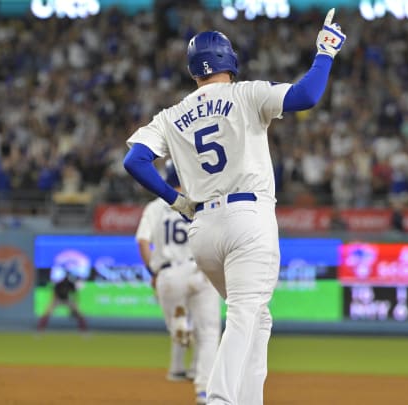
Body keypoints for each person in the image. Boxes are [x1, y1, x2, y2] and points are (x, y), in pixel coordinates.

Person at [123, 9, 345, 404]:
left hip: (203, 229)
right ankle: (220, 398)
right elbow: (307, 95)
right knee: (245, 313)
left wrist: (175, 200)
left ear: (194, 71)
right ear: (229, 60)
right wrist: (325, 52)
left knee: (258, 316)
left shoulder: (171, 116)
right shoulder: (246, 93)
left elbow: (134, 160)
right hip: (249, 218)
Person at [135, 161, 221, 403]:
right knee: (210, 333)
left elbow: (142, 242)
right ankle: (204, 390)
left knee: (177, 328)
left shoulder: (154, 207)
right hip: (199, 270)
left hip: (169, 273)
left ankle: (181, 325)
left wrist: (153, 271)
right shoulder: (201, 201)